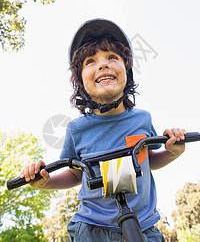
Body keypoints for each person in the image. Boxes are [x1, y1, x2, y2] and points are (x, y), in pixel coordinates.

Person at [20, 19, 186, 242]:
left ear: (126, 71)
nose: (103, 64)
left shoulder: (142, 119)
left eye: (112, 58)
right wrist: (46, 181)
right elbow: (75, 173)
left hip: (144, 225)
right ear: (81, 82)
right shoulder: (77, 130)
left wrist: (173, 151)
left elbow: (148, 160)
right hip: (92, 228)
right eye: (91, 61)